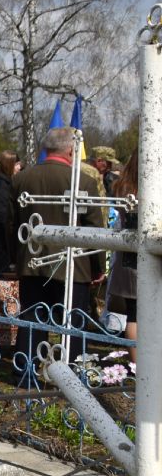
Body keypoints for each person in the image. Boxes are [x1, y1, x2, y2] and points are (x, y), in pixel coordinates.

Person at [9, 127, 105, 385]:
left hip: (31, 261)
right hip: (73, 265)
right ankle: (69, 376)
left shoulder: (22, 179)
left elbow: (12, 223)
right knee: (71, 324)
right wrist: (98, 267)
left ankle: (25, 372)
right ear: (72, 150)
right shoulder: (83, 181)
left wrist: (15, 258)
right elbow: (94, 229)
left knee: (32, 319)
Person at [107, 150, 139, 363]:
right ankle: (142, 368)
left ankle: (138, 366)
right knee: (137, 314)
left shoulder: (123, 186)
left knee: (134, 314)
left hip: (128, 253)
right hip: (143, 254)